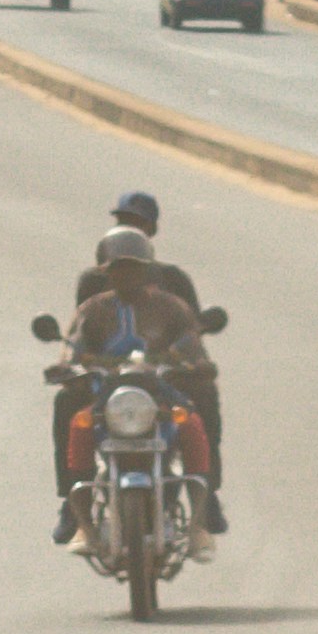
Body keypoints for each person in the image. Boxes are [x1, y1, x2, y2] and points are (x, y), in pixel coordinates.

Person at [55, 190, 224, 521]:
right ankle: (73, 499)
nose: (124, 273)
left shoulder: (173, 285)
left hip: (164, 375)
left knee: (203, 402)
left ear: (152, 231)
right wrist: (70, 367)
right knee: (67, 406)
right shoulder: (93, 290)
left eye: (136, 223)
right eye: (122, 222)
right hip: (106, 382)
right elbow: (77, 336)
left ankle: (206, 494)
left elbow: (194, 331)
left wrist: (189, 362)